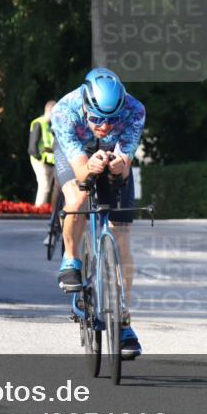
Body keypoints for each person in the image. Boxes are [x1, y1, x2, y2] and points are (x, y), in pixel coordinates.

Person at [51, 67, 145, 358]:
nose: (104, 127)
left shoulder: (135, 110)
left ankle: (123, 319)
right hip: (75, 155)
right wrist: (89, 168)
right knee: (78, 198)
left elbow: (126, 160)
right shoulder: (65, 112)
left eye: (112, 120)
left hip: (110, 157)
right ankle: (71, 259)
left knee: (122, 238)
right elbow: (81, 171)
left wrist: (121, 165)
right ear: (85, 106)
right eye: (97, 119)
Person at [28, 100, 57, 206]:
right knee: (44, 185)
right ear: (49, 111)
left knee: (49, 187)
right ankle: (39, 210)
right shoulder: (38, 123)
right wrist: (38, 157)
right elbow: (33, 145)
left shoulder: (53, 125)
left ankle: (44, 209)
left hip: (51, 161)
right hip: (40, 160)